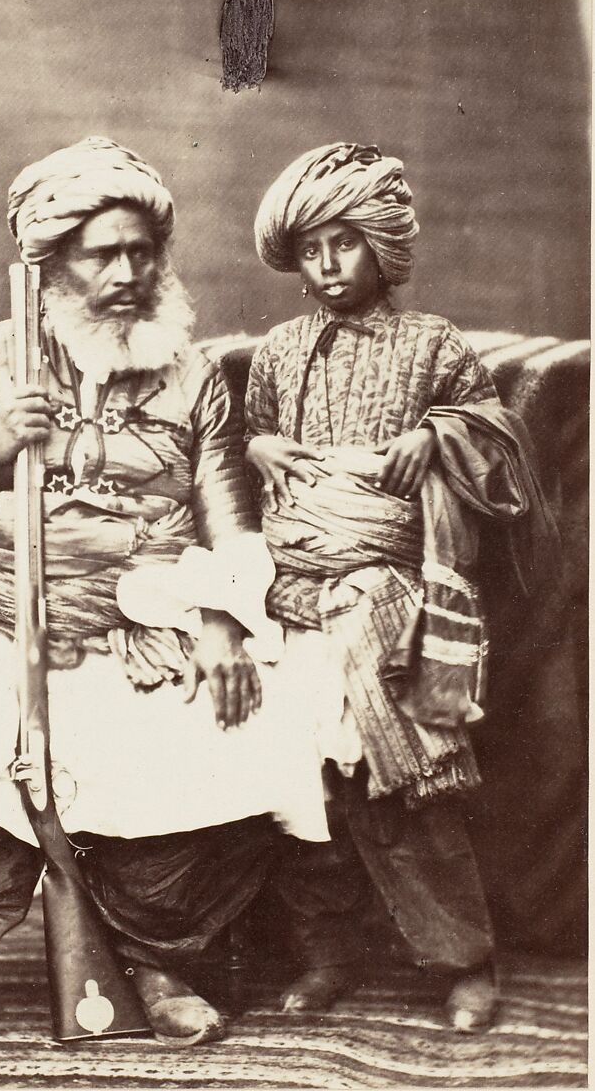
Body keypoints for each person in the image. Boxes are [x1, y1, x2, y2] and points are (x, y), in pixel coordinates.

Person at [0, 136, 332, 1047]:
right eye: (104, 254)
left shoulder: (194, 377)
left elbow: (228, 523)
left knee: (246, 723)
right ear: (51, 265)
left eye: (144, 251)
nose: (130, 272)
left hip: (149, 634)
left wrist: (218, 618)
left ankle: (161, 961)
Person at [244, 142, 557, 1032]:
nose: (327, 264)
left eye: (344, 243)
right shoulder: (280, 350)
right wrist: (261, 446)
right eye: (310, 249)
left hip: (390, 596)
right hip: (296, 596)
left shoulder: (433, 344)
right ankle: (325, 954)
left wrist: (441, 430)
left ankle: (465, 961)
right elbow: (256, 451)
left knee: (408, 786)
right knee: (306, 791)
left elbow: (500, 446)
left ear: (382, 245)